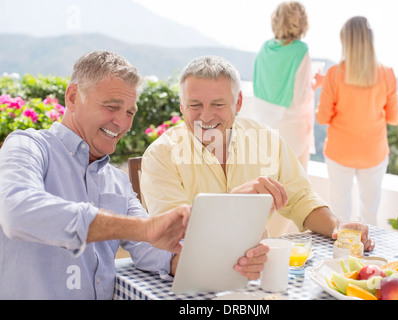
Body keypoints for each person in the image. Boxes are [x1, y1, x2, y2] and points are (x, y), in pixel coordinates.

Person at [0, 50, 265, 299]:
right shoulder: (28, 146)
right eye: (111, 107)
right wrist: (145, 228)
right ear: (72, 97)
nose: (123, 123)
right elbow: (17, 212)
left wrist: (231, 261)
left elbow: (149, 246)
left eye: (129, 112)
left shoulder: (116, 181)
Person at [140, 55, 375, 257]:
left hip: (260, 267)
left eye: (218, 104)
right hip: (196, 275)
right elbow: (172, 234)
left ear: (238, 102)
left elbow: (301, 198)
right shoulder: (161, 155)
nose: (206, 116)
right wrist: (232, 200)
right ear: (182, 106)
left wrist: (338, 226)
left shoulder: (264, 138)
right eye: (195, 105)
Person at [316, 16, 398, 225]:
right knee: (369, 213)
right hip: (373, 153)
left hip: (340, 152)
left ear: (345, 42)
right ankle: (369, 255)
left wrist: (324, 87)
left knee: (340, 212)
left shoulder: (334, 74)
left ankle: (341, 255)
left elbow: (322, 117)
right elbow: (394, 118)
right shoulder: (386, 73)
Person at [253, 1, 323, 171]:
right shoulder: (300, 50)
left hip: (264, 130)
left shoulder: (264, 48)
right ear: (301, 22)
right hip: (291, 133)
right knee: (294, 190)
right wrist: (316, 83)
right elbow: (300, 98)